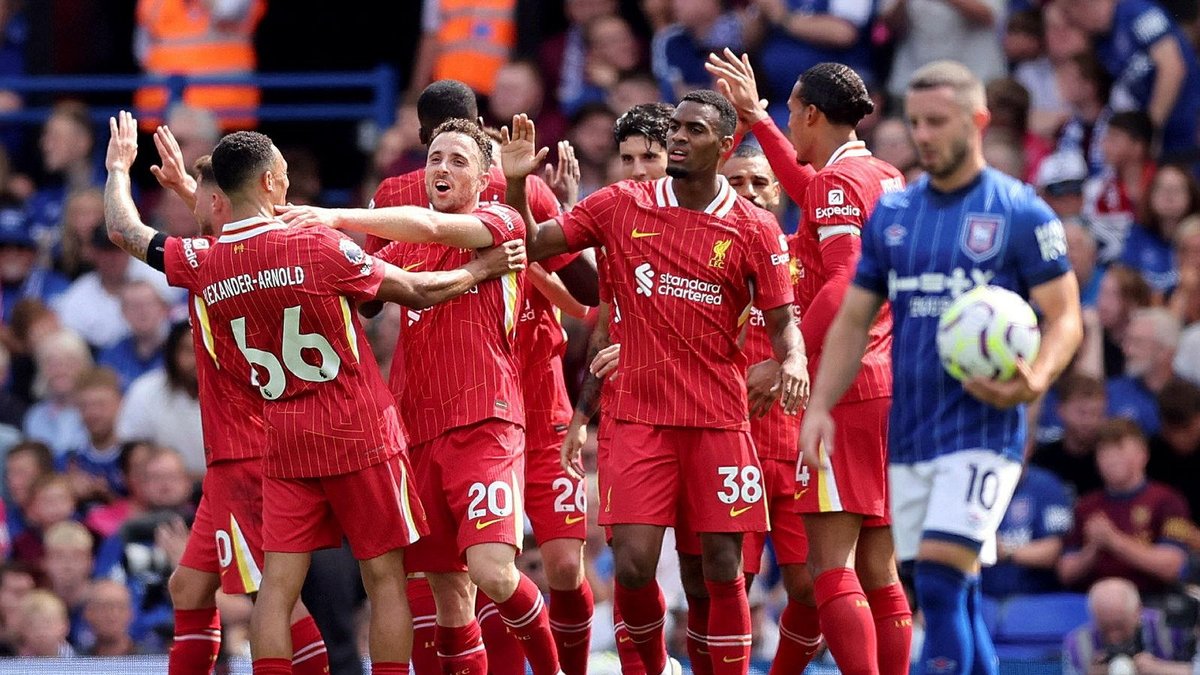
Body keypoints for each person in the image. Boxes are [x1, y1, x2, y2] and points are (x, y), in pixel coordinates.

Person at [182, 127, 528, 675]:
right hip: (358, 430)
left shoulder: (210, 264)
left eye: (455, 159)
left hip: (285, 433)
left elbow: (133, 233)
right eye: (284, 175)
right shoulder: (319, 245)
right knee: (387, 578)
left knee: (276, 587)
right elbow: (415, 290)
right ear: (270, 182)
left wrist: (121, 176)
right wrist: (481, 270)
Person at [503, 90, 809, 674]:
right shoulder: (622, 204)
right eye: (676, 128)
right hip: (639, 417)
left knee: (718, 570)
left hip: (718, 419)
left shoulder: (755, 228)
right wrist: (518, 185)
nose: (680, 138)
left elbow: (782, 322)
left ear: (724, 146)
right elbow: (533, 244)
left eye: (695, 130)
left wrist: (792, 360)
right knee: (635, 566)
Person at [799, 60, 1082, 675]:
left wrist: (1036, 378)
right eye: (916, 123)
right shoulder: (896, 215)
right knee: (957, 589)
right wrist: (818, 405)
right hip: (909, 432)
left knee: (939, 580)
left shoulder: (1021, 211)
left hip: (982, 429)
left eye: (938, 122)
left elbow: (1065, 317)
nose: (923, 136)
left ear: (978, 121)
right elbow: (852, 318)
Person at [276, 118, 565, 675]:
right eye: (435, 158)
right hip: (414, 432)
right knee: (448, 596)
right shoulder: (403, 250)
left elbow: (432, 226)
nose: (442, 168)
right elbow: (348, 282)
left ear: (483, 177)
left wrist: (334, 215)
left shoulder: (501, 222)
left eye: (458, 160)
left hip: (485, 421)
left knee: (492, 572)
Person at [103, 118, 333, 675]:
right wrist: (189, 188)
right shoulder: (263, 254)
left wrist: (117, 169)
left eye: (205, 196)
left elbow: (122, 229)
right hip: (246, 446)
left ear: (219, 203)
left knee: (273, 599)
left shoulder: (206, 261)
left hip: (245, 453)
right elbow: (229, 222)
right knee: (188, 586)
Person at [1057, 419, 1193, 598]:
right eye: (1104, 452)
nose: (1111, 459)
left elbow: (1173, 566)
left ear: (1143, 455)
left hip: (1151, 599)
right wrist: (1093, 549)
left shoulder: (1169, 501)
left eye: (1119, 449)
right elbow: (1066, 572)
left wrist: (1114, 540)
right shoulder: (1085, 506)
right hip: (1091, 600)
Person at [1059, 0, 1200, 161]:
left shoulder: (1137, 12)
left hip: (1188, 122)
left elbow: (1173, 68)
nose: (1075, 23)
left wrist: (1150, 128)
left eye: (1071, 14)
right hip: (1163, 138)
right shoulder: (1101, 43)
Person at [1063, 577, 1194, 675]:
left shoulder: (1170, 628)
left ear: (1138, 611)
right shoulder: (1079, 645)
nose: (1114, 637)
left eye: (1120, 626)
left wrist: (1161, 669)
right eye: (1105, 627)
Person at [980, 465, 1074, 598]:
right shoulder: (980, 482)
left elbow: (1053, 551)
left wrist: (1004, 550)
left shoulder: (1047, 485)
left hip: (1036, 597)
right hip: (982, 595)